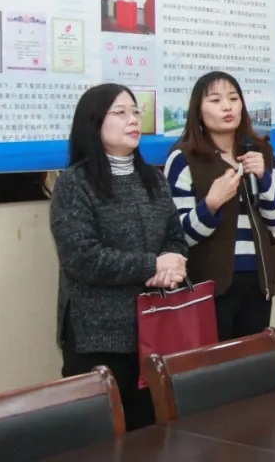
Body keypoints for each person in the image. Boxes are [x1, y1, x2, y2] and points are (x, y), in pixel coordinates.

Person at [50, 84, 188, 430]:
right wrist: (151, 265)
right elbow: (82, 258)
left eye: (135, 112)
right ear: (94, 122)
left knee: (152, 434)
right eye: (121, 112)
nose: (133, 120)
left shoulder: (153, 180)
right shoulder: (74, 183)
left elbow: (175, 237)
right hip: (97, 337)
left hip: (154, 332)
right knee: (100, 440)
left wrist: (173, 261)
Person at [164, 71, 275, 341]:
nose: (227, 106)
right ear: (198, 111)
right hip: (207, 285)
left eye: (233, 99)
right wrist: (211, 204)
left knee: (253, 361)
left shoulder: (261, 152)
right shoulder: (183, 159)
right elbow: (178, 235)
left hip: (258, 281)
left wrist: (263, 178)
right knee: (214, 364)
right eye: (215, 100)